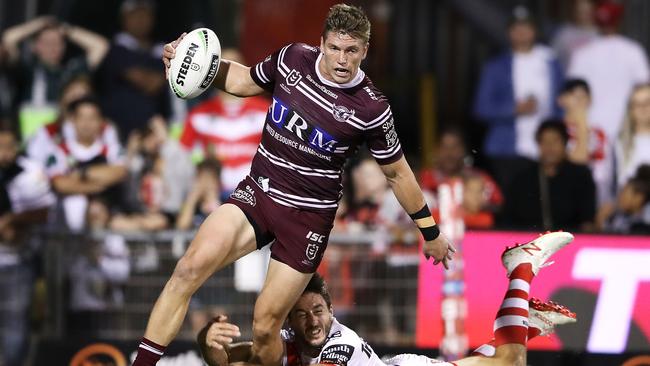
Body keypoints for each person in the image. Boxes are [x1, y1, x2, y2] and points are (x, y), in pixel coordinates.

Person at [132, 4, 455, 366]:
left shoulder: (371, 109)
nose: (342, 59)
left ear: (365, 50)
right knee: (187, 269)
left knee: (267, 326)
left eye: (351, 50)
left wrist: (431, 233)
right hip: (259, 193)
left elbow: (398, 174)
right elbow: (243, 81)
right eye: (334, 48)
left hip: (306, 221)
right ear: (321, 43)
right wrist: (188, 62)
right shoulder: (292, 59)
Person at [198, 231, 577, 366]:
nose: (312, 321)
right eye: (300, 315)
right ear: (289, 322)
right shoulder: (287, 343)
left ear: (331, 310)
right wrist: (208, 343)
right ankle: (528, 323)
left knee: (510, 363)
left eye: (317, 310)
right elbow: (228, 359)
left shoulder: (338, 343)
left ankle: (521, 267)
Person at [473, 6, 563, 191]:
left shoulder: (550, 62)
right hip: (508, 149)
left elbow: (561, 102)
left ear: (535, 30)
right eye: (516, 28)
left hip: (546, 148)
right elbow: (481, 107)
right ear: (509, 32)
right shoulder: (496, 66)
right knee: (513, 201)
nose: (521, 32)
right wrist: (514, 109)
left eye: (526, 27)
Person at [0, 123, 55, 366]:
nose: (5, 153)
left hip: (18, 260)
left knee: (15, 324)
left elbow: (43, 212)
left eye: (9, 146)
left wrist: (13, 219)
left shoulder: (30, 171)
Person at [180, 48, 269, 198]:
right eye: (222, 67)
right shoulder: (198, 115)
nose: (228, 72)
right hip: (210, 197)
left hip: (257, 196)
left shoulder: (267, 110)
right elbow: (181, 158)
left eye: (235, 65)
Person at [1, 16, 109, 138]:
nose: (52, 47)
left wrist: (67, 30)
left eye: (57, 42)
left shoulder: (71, 70)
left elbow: (100, 46)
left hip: (64, 143)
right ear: (34, 46)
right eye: (46, 42)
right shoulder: (27, 70)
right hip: (31, 144)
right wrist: (39, 24)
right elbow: (8, 39)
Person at [567, 1, 650, 141]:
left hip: (592, 128)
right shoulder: (633, 51)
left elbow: (572, 94)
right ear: (619, 21)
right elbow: (644, 90)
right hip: (627, 127)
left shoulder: (582, 53)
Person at [502, 121, 596, 231]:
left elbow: (587, 221)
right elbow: (508, 219)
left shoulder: (581, 176)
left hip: (571, 241)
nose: (550, 147)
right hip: (529, 243)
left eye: (555, 141)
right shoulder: (522, 179)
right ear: (538, 145)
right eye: (544, 141)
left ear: (565, 144)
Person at [557, 78, 613, 205]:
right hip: (565, 199)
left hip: (596, 199)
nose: (580, 101)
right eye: (574, 96)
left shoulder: (600, 134)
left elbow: (605, 173)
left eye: (584, 96)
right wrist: (581, 124)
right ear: (561, 100)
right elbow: (577, 164)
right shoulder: (556, 132)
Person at [615, 83, 650, 189]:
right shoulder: (620, 142)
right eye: (637, 104)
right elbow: (622, 181)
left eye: (647, 102)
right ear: (630, 109)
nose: (643, 108)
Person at [550, 0, 598, 71]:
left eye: (586, 12)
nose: (583, 15)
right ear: (574, 11)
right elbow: (553, 59)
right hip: (571, 79)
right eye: (580, 11)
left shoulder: (599, 34)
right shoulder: (563, 34)